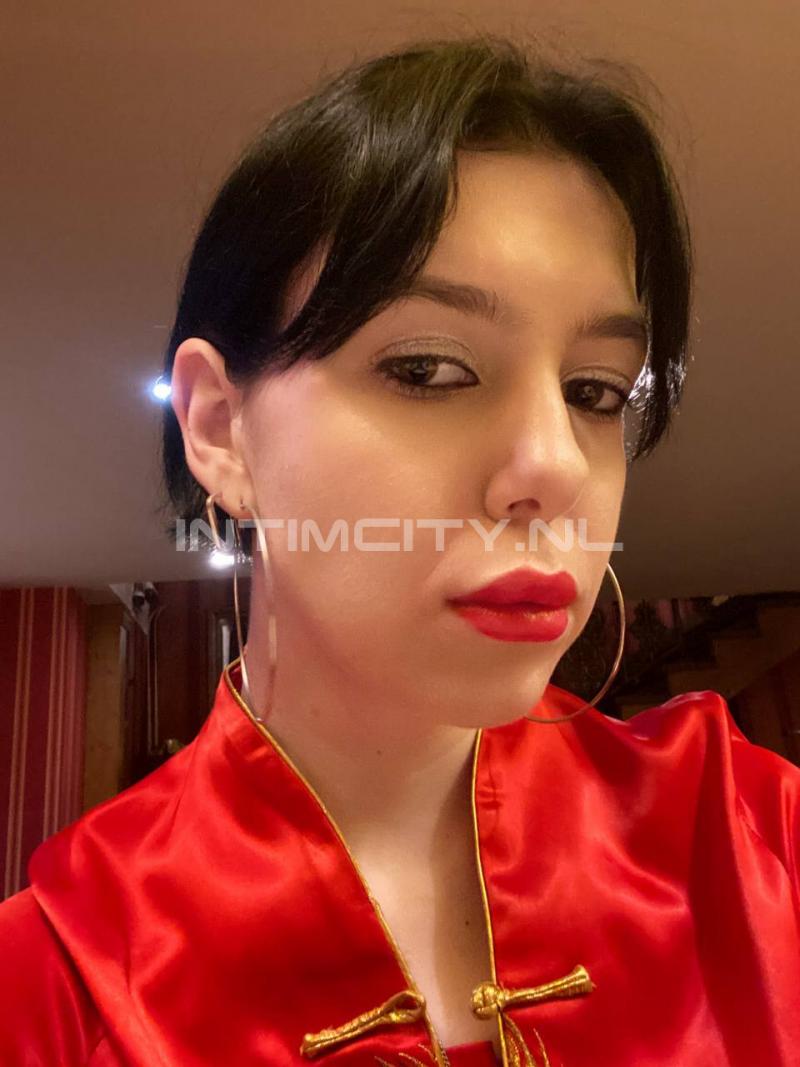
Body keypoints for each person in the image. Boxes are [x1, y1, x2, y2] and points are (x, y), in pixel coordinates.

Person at [2, 33, 799, 1067]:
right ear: (220, 428)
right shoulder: (56, 980)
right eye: (427, 369)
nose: (556, 465)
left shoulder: (750, 842)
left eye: (594, 390)